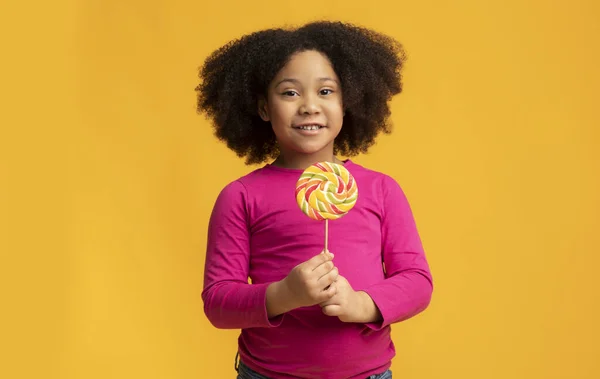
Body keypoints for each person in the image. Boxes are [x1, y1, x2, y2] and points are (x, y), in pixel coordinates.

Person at [196, 21, 433, 379]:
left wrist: (362, 304)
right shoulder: (240, 196)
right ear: (263, 107)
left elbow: (417, 281)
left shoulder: (381, 190)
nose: (309, 106)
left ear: (348, 100)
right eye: (290, 93)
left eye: (326, 91)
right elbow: (218, 303)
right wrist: (283, 295)